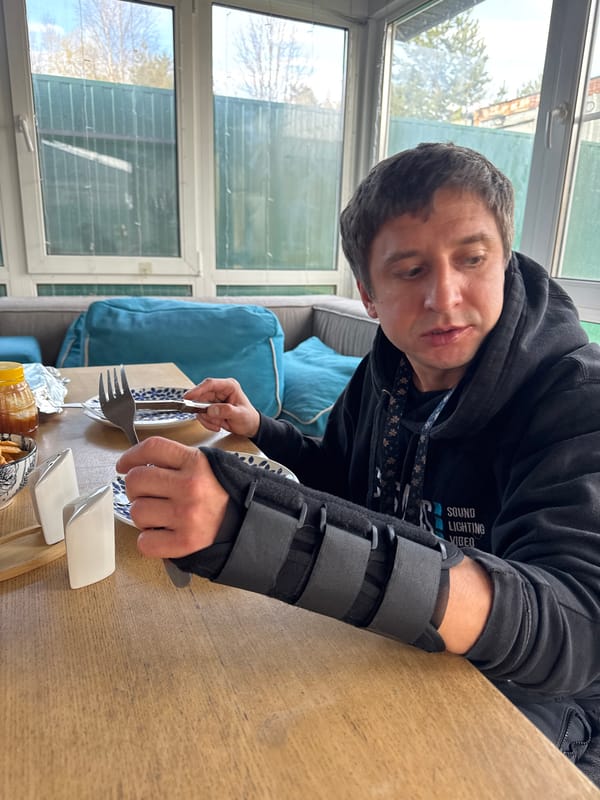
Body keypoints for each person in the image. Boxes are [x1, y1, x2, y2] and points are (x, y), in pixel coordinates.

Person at [116, 142, 600, 784]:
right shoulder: (388, 370)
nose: (444, 295)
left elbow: (574, 628)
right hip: (396, 647)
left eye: (472, 259)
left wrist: (254, 528)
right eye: (409, 270)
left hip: (542, 703)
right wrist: (261, 430)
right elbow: (346, 477)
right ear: (369, 296)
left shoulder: (575, 398)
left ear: (505, 263)